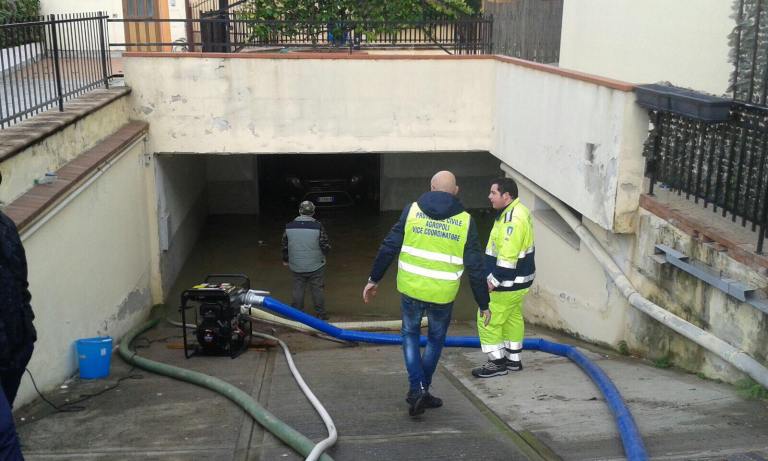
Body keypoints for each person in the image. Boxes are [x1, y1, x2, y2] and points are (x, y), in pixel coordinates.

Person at [362, 171, 490, 417]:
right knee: (435, 340)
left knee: (410, 336)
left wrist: (374, 279)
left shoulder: (411, 211)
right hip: (442, 294)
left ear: (431, 187)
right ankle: (422, 389)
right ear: (456, 191)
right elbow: (476, 267)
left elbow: (389, 245)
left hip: (411, 288)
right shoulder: (466, 221)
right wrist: (483, 303)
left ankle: (417, 389)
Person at [472, 177, 535, 378]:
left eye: (493, 193)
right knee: (512, 318)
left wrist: (493, 281)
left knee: (487, 317)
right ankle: (513, 360)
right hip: (520, 282)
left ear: (506, 196)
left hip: (507, 283)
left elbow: (508, 258)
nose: (489, 197)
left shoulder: (511, 221)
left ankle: (496, 363)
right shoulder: (519, 211)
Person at [0, 171, 37, 459]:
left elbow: (20, 282)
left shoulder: (5, 227)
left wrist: (27, 333)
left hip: (14, 351)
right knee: (4, 436)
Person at [282, 200, 331, 320]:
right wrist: (325, 255)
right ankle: (321, 314)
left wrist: (286, 260)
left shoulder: (289, 226)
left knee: (298, 289)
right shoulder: (318, 226)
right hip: (316, 265)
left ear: (300, 211)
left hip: (296, 265)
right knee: (317, 289)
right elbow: (325, 245)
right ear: (313, 212)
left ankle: (296, 315)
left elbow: (285, 245)